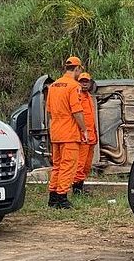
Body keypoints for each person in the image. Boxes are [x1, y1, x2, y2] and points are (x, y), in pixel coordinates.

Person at [46, 56, 88, 209]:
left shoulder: (54, 86)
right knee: (68, 165)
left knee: (57, 165)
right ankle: (62, 198)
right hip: (69, 133)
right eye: (79, 70)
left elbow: (49, 111)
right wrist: (84, 129)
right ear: (77, 69)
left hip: (56, 132)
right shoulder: (73, 86)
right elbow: (76, 111)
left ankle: (53, 197)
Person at [72, 72, 97, 195]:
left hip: (92, 137)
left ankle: (81, 186)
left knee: (87, 166)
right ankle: (77, 190)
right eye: (82, 81)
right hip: (83, 137)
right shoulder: (77, 96)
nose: (84, 83)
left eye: (86, 81)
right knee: (80, 165)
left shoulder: (89, 96)